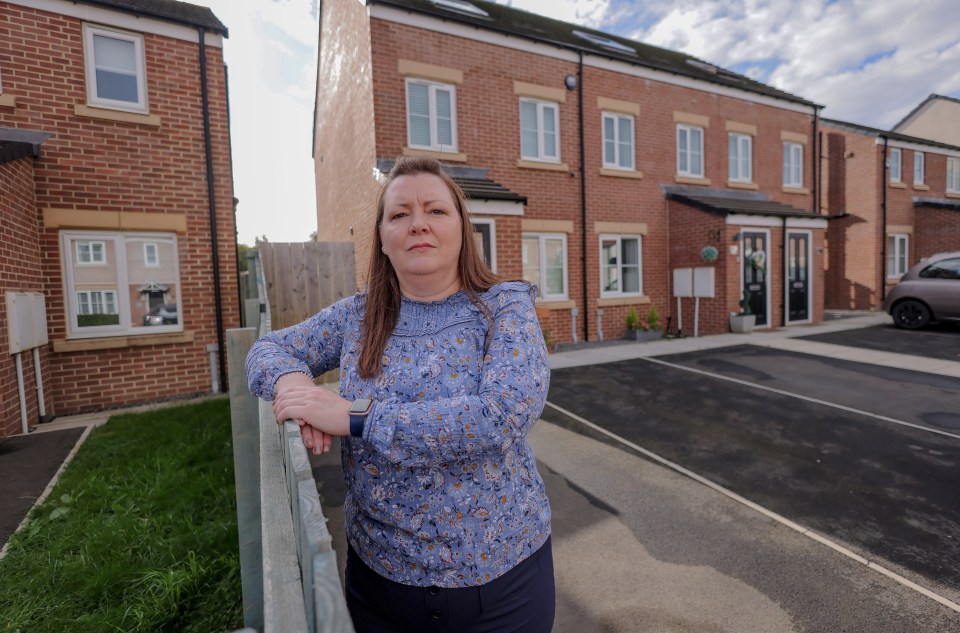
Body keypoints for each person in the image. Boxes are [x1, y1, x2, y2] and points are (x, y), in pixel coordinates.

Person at [245, 156, 554, 633]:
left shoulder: (504, 308)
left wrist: (355, 415)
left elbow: (500, 414)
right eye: (399, 214)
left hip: (503, 585)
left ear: (461, 228)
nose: (418, 225)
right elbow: (268, 349)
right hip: (379, 586)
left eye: (435, 210)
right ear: (383, 238)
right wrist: (295, 385)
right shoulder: (358, 316)